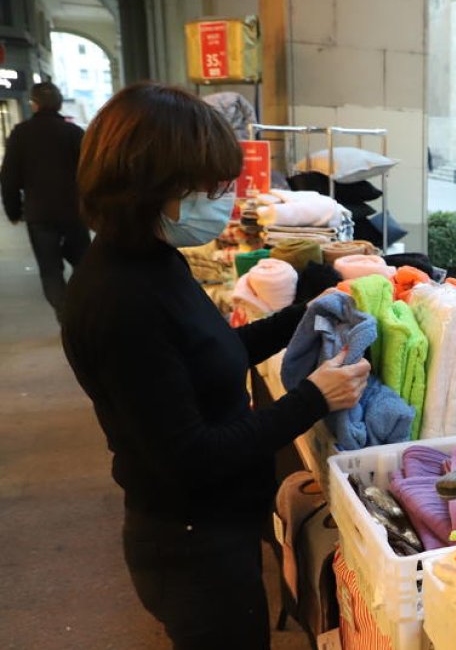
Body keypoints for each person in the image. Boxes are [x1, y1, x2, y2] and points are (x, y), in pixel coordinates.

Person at [60, 83, 371, 649]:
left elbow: (213, 353)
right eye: (211, 187)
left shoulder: (153, 262)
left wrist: (306, 311)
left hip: (213, 528)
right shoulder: (119, 301)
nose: (224, 199)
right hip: (189, 547)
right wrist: (313, 398)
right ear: (154, 184)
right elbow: (192, 456)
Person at [1, 82, 90, 322]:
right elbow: (89, 172)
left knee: (50, 270)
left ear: (34, 104)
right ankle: (85, 307)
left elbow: (9, 178)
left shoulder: (21, 133)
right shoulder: (74, 133)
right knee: (84, 264)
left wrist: (13, 211)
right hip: (73, 212)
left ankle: (65, 314)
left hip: (39, 215)